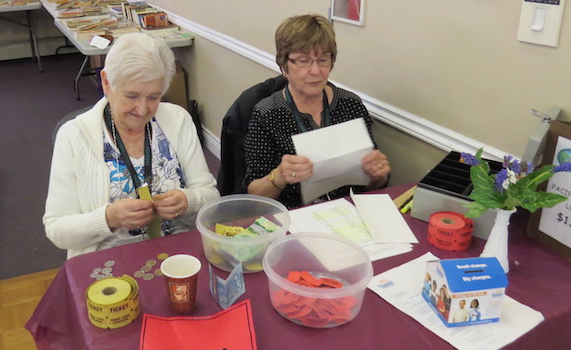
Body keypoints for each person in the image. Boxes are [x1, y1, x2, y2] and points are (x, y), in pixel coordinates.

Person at [43, 33, 219, 259]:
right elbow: (57, 230)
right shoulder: (73, 136)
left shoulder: (178, 119)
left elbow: (211, 196)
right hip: (109, 259)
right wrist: (109, 218)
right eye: (132, 95)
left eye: (154, 97)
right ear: (106, 82)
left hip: (179, 253)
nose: (143, 109)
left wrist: (188, 201)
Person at [243, 14, 390, 208]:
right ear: (284, 65)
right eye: (304, 61)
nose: (316, 71)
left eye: (323, 60)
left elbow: (373, 184)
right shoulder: (267, 114)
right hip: (293, 214)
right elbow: (254, 194)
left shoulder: (350, 105)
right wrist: (279, 176)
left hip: (347, 210)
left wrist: (378, 174)